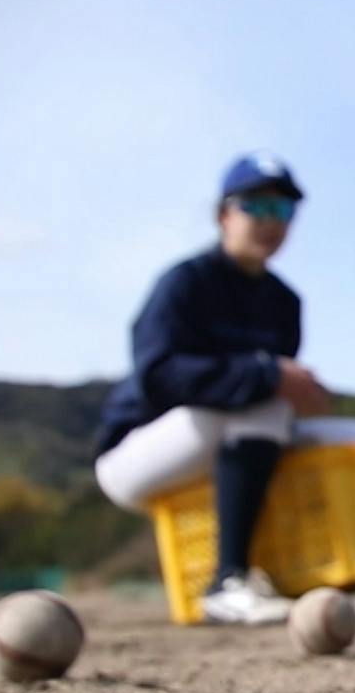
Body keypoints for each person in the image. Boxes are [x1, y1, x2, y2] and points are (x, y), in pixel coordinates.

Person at [94, 152, 333, 625]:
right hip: (135, 453)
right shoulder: (185, 283)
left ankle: (294, 569)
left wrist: (297, 392)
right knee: (261, 404)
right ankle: (226, 582)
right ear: (224, 215)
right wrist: (267, 374)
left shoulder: (285, 302)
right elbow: (156, 376)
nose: (270, 221)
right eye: (255, 206)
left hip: (222, 446)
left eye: (282, 209)